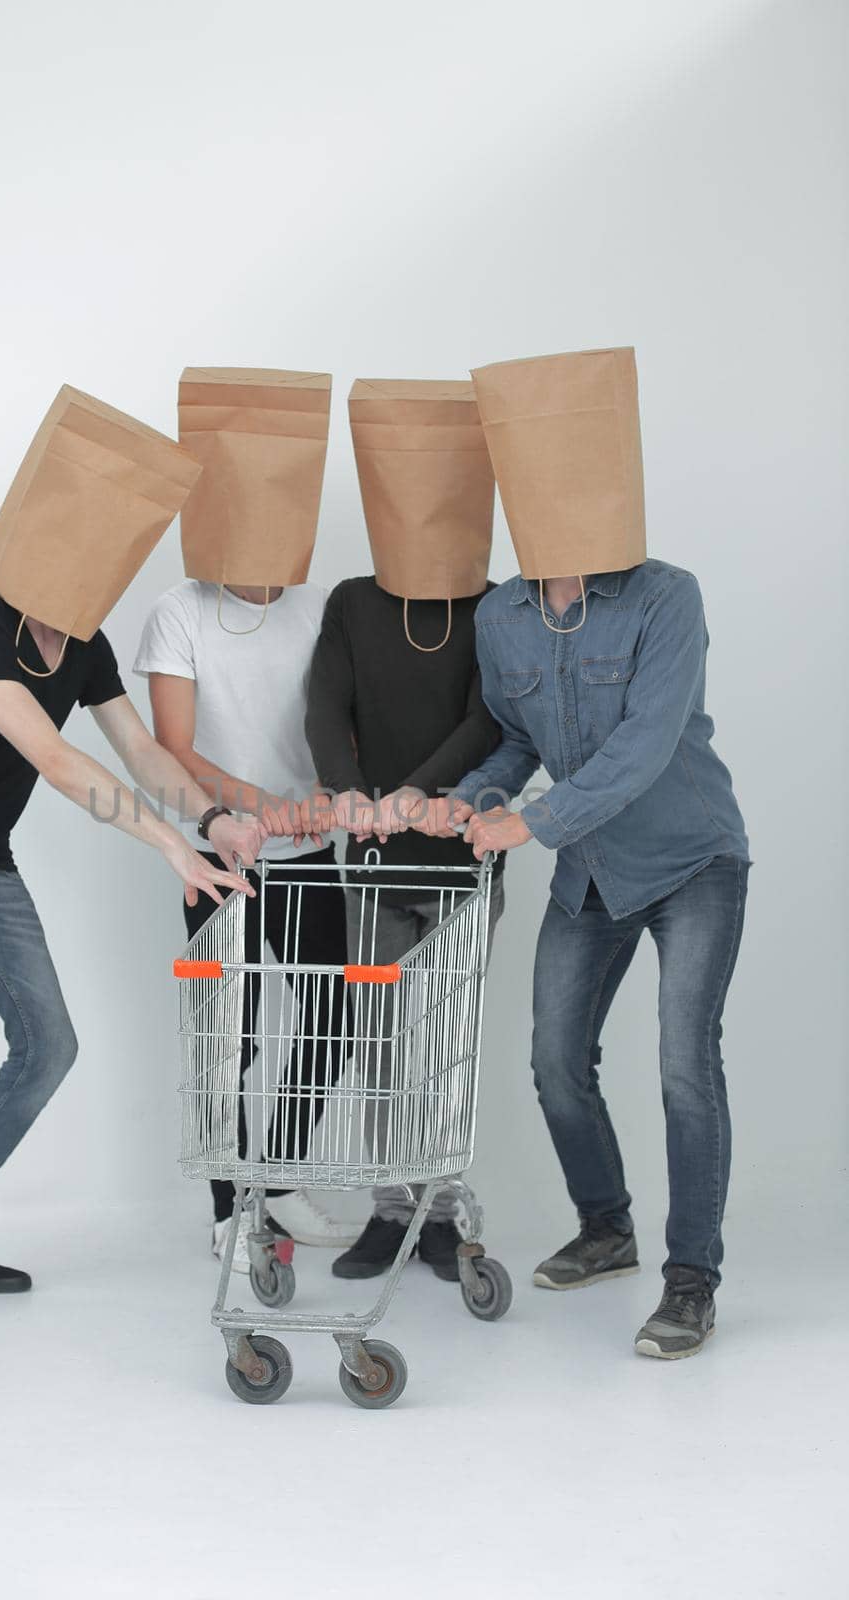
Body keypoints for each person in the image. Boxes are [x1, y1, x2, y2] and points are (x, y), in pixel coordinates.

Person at [0, 386, 259, 1295]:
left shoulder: (86, 642)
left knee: (49, 1045)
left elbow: (139, 749)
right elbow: (53, 757)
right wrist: (168, 848)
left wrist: (213, 820)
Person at [437, 347, 750, 1358]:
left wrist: (525, 823)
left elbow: (643, 745)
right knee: (553, 1061)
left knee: (680, 1066)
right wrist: (467, 802)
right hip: (590, 875)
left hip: (689, 860)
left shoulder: (666, 597)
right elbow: (518, 741)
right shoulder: (498, 616)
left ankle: (690, 1277)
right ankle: (602, 1224)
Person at [143, 366, 356, 1269]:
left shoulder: (322, 609)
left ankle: (277, 1182)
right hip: (220, 854)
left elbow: (345, 723)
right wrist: (263, 808)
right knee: (226, 1034)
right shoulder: (178, 611)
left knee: (331, 1016)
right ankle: (232, 1215)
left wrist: (332, 801)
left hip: (310, 855)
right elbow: (175, 750)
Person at [305, 377, 506, 1283]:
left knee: (444, 1042)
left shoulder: (494, 606)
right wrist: (352, 798)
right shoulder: (352, 601)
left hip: (464, 862)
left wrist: (410, 795)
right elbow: (324, 705)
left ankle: (441, 1211)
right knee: (382, 1036)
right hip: (377, 865)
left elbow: (488, 721)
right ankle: (392, 1212)